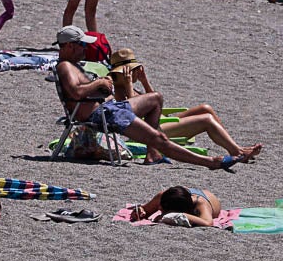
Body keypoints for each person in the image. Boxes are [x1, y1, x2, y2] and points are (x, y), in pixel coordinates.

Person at [54, 26, 248, 169]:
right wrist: (99, 84)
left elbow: (80, 90)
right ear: (69, 46)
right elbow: (76, 92)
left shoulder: (72, 65)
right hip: (102, 115)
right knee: (159, 137)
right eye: (81, 45)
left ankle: (152, 153)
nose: (84, 49)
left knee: (155, 98)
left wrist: (102, 86)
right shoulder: (65, 66)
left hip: (110, 108)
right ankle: (210, 162)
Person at [107, 48, 263, 164]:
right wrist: (129, 86)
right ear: (123, 72)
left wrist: (144, 81)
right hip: (147, 129)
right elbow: (133, 115)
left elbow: (152, 101)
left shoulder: (129, 84)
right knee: (206, 120)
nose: (136, 72)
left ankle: (234, 146)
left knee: (205, 108)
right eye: (133, 70)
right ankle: (238, 152)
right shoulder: (118, 89)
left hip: (159, 121)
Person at [129, 186, 223, 227]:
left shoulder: (200, 203)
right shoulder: (163, 196)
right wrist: (139, 211)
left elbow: (208, 223)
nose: (159, 209)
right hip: (181, 195)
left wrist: (175, 215)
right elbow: (144, 210)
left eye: (163, 209)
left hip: (207, 197)